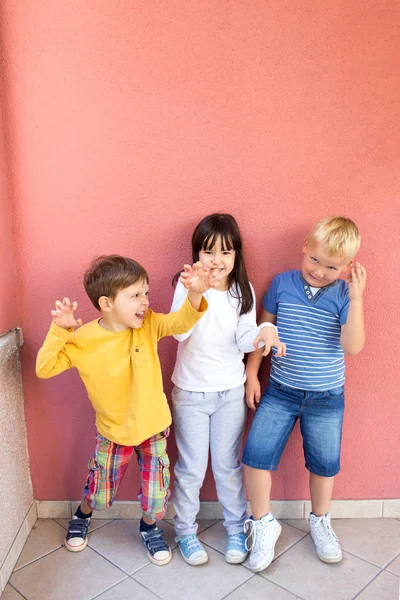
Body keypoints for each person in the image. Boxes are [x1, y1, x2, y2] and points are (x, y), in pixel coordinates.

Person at [36, 254, 212, 566]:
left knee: (157, 495)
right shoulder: (83, 339)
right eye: (134, 296)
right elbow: (44, 368)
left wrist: (196, 292)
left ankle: (149, 526)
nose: (145, 302)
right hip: (113, 432)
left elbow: (182, 320)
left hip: (154, 428)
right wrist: (59, 331)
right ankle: (83, 513)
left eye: (145, 293)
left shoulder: (149, 324)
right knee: (100, 492)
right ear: (106, 303)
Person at [242, 216, 366, 572]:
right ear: (305, 249)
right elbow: (263, 333)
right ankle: (264, 522)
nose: (320, 271)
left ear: (346, 268)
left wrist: (356, 300)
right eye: (315, 260)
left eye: (332, 266)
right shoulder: (282, 284)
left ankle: (320, 520)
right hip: (280, 390)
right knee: (255, 456)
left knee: (324, 464)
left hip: (326, 396)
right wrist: (252, 374)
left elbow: (352, 347)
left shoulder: (343, 294)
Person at [170, 214, 286, 566]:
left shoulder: (242, 290)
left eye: (225, 251)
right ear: (196, 255)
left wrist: (262, 335)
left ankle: (237, 528)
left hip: (230, 392)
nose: (216, 260)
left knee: (226, 465)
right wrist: (194, 295)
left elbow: (241, 335)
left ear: (237, 255)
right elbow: (178, 333)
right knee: (191, 467)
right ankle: (186, 532)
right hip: (190, 392)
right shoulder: (186, 284)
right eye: (208, 251)